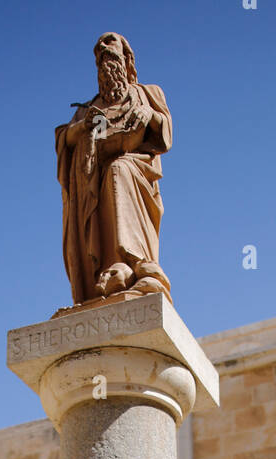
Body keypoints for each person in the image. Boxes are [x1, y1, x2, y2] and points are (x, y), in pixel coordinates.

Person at [55, 31, 172, 303]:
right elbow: (64, 139)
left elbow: (165, 135)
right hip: (94, 176)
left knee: (119, 170)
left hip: (137, 167)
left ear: (126, 56)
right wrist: (83, 128)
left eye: (110, 43)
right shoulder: (88, 108)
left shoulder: (147, 93)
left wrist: (150, 115)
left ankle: (138, 261)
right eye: (98, 49)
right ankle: (111, 267)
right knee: (108, 176)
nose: (102, 49)